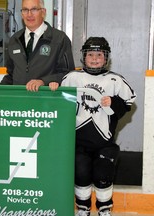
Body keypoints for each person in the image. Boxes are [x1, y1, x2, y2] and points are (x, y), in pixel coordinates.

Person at [49, 37, 136, 216]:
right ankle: (83, 207)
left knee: (103, 173)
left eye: (99, 54)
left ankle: (104, 208)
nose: (94, 58)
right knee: (81, 172)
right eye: (90, 54)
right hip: (78, 140)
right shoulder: (73, 77)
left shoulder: (114, 80)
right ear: (83, 57)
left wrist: (113, 102)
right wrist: (54, 86)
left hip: (104, 141)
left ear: (106, 58)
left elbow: (128, 103)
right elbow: (58, 101)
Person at [0, 0, 75, 91]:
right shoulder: (14, 40)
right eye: (25, 10)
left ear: (43, 12)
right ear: (21, 14)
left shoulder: (59, 39)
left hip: (46, 101)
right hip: (19, 101)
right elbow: (11, 76)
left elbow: (68, 75)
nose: (29, 14)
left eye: (34, 9)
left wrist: (43, 81)